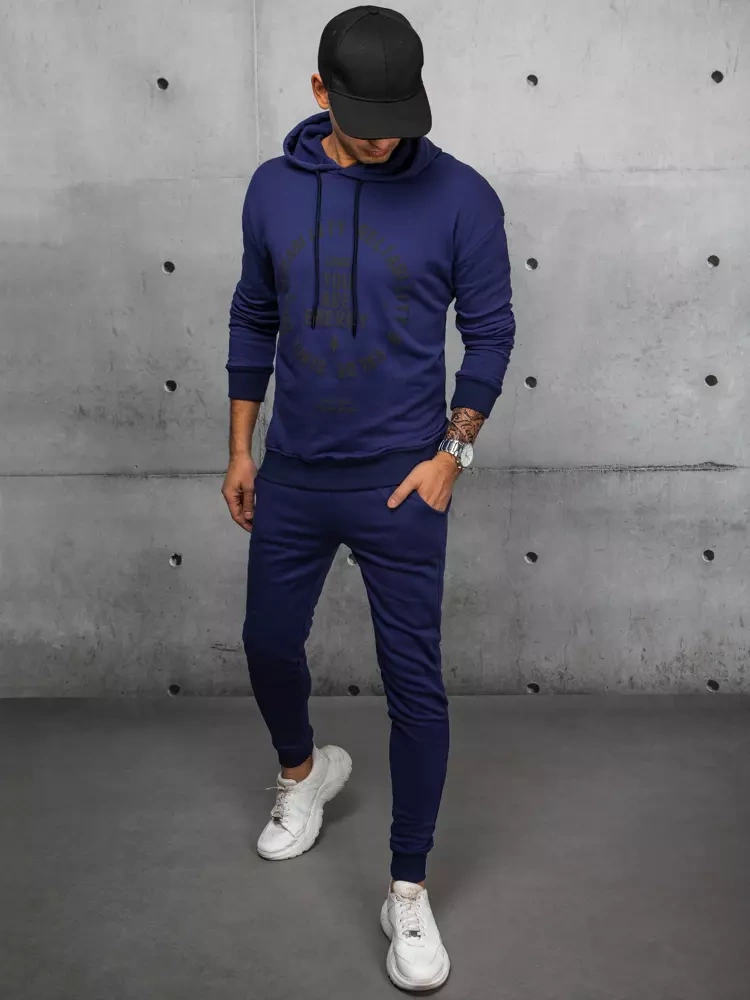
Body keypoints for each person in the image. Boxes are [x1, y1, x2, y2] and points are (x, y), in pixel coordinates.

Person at [222, 5, 515, 991]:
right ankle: (304, 773)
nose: (387, 137)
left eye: (401, 117)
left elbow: (492, 332)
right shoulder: (271, 189)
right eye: (366, 118)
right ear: (320, 93)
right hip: (295, 474)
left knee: (414, 685)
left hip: (402, 484)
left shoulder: (461, 196)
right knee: (267, 644)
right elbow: (253, 314)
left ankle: (408, 888)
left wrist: (451, 457)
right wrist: (240, 449)